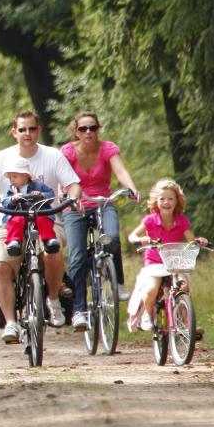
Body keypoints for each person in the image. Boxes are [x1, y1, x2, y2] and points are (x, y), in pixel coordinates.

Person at [0, 110, 82, 344]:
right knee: (1, 265)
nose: (27, 134)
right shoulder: (1, 158)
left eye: (32, 129)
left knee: (52, 250)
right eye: (22, 129)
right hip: (10, 220)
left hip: (47, 218)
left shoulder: (52, 156)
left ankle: (52, 300)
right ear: (14, 132)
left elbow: (72, 185)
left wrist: (72, 199)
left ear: (38, 130)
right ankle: (11, 323)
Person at [60, 111, 142, 330]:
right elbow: (63, 179)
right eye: (83, 129)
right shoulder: (67, 152)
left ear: (98, 129)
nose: (88, 132)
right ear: (75, 131)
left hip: (103, 202)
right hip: (75, 205)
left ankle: (118, 282)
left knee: (112, 237)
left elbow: (120, 171)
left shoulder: (108, 149)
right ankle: (78, 310)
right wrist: (67, 196)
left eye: (93, 128)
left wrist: (131, 188)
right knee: (76, 255)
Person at [125, 179, 208, 331]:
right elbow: (132, 236)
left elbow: (191, 241)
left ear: (177, 201)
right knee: (151, 289)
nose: (166, 202)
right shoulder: (150, 221)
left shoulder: (182, 222)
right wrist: (140, 239)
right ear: (156, 201)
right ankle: (148, 316)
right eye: (162, 198)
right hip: (154, 263)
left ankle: (185, 323)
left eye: (170, 198)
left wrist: (199, 241)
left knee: (184, 287)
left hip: (175, 262)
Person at [0, 156, 62, 257]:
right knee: (15, 221)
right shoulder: (11, 190)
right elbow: (5, 203)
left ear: (25, 176)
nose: (12, 180)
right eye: (10, 177)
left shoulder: (39, 185)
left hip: (37, 213)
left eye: (15, 177)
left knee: (43, 220)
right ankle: (14, 242)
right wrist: (12, 199)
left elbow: (51, 195)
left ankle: (49, 240)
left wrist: (41, 195)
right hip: (19, 214)